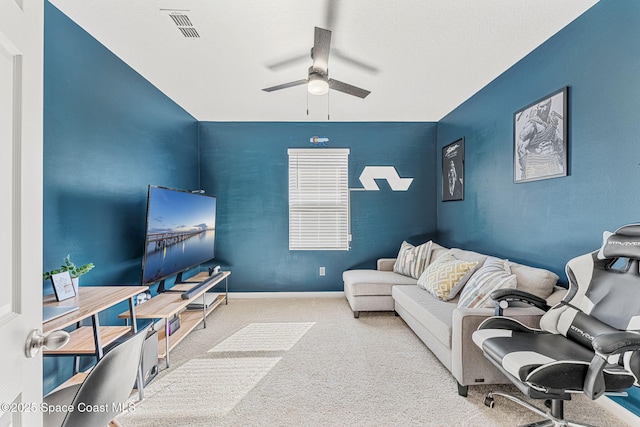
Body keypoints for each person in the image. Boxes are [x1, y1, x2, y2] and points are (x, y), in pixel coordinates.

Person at [517, 97, 564, 180]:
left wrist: (563, 156)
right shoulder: (531, 124)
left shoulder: (552, 122)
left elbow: (556, 141)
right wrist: (525, 170)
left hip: (553, 161)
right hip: (537, 164)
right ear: (537, 108)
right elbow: (521, 148)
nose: (545, 109)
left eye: (547, 105)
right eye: (542, 106)